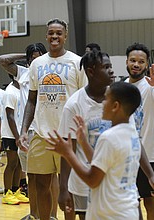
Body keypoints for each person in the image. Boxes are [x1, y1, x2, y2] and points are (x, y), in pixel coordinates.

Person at [18, 18, 87, 220]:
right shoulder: (37, 64)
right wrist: (24, 131)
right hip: (41, 133)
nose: (54, 36)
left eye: (59, 33)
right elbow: (31, 100)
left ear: (65, 36)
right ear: (46, 35)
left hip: (68, 135)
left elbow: (84, 97)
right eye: (51, 33)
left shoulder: (77, 62)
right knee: (40, 185)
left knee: (69, 188)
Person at [46, 81, 143, 220]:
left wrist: (68, 154)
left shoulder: (109, 138)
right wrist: (84, 142)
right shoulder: (132, 133)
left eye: (106, 99)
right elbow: (99, 163)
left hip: (111, 214)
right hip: (127, 210)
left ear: (115, 106)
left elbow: (92, 180)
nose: (103, 103)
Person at [0, 43, 49, 219]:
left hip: (46, 130)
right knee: (31, 177)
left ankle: (51, 215)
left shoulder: (50, 72)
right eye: (32, 58)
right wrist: (27, 55)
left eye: (39, 56)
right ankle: (33, 214)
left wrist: (43, 57)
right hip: (27, 132)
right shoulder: (24, 73)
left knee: (51, 177)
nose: (36, 60)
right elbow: (3, 60)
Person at [58, 47, 102, 220]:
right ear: (91, 72)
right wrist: (63, 188)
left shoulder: (116, 100)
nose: (112, 71)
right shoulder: (75, 104)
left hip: (111, 182)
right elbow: (68, 149)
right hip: (84, 181)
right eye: (106, 67)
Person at [125, 42, 154, 220]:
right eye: (133, 60)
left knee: (150, 203)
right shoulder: (119, 88)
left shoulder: (150, 88)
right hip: (126, 157)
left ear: (146, 64)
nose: (136, 64)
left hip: (149, 156)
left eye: (141, 61)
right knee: (131, 203)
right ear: (126, 62)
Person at [1, 74, 29, 205]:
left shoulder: (22, 90)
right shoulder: (10, 91)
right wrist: (17, 137)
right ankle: (7, 192)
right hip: (10, 134)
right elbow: (10, 116)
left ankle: (15, 190)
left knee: (19, 164)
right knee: (12, 163)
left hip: (19, 132)